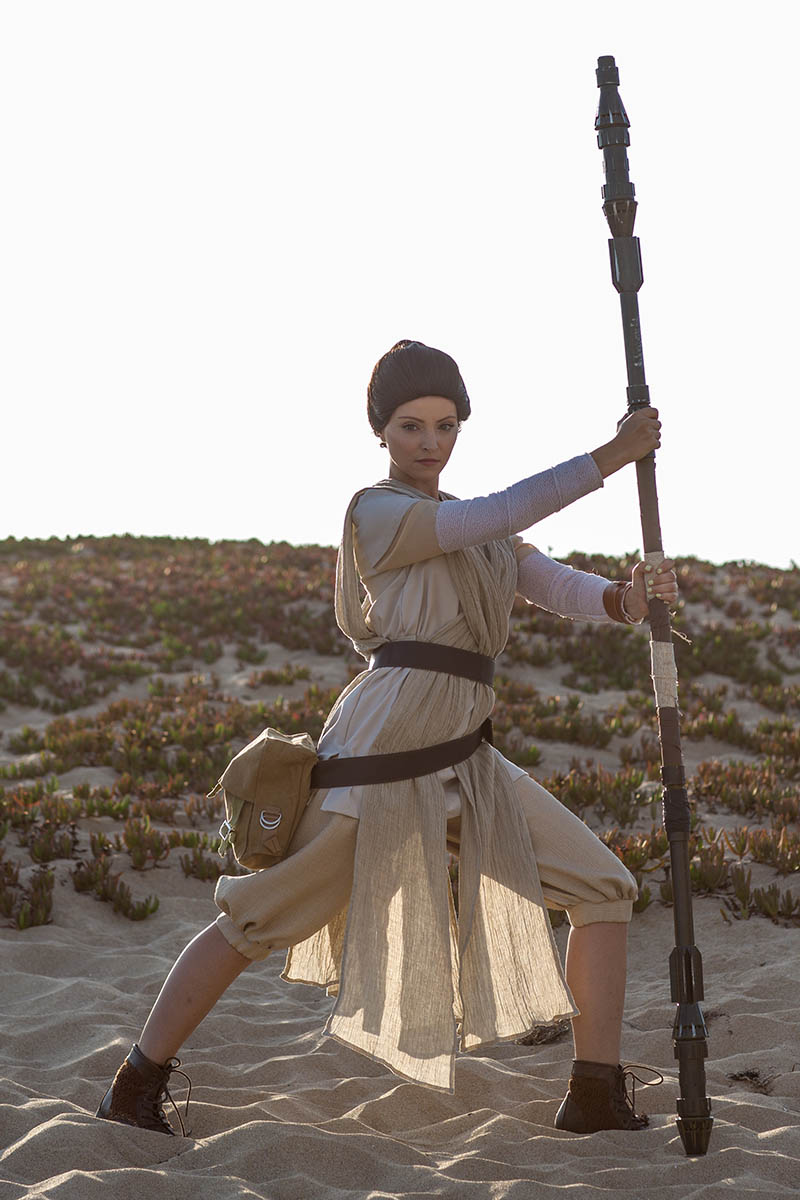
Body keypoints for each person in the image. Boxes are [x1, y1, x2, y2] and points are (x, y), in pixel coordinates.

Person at [96, 340, 678, 1138]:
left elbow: (550, 581)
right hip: (384, 749)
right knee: (261, 915)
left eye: (445, 425)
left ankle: (595, 1095)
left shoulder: (476, 529)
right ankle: (135, 1083)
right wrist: (612, 456)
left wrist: (627, 600)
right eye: (411, 426)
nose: (430, 442)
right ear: (381, 432)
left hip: (463, 753)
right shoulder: (380, 512)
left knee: (603, 886)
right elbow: (499, 512)